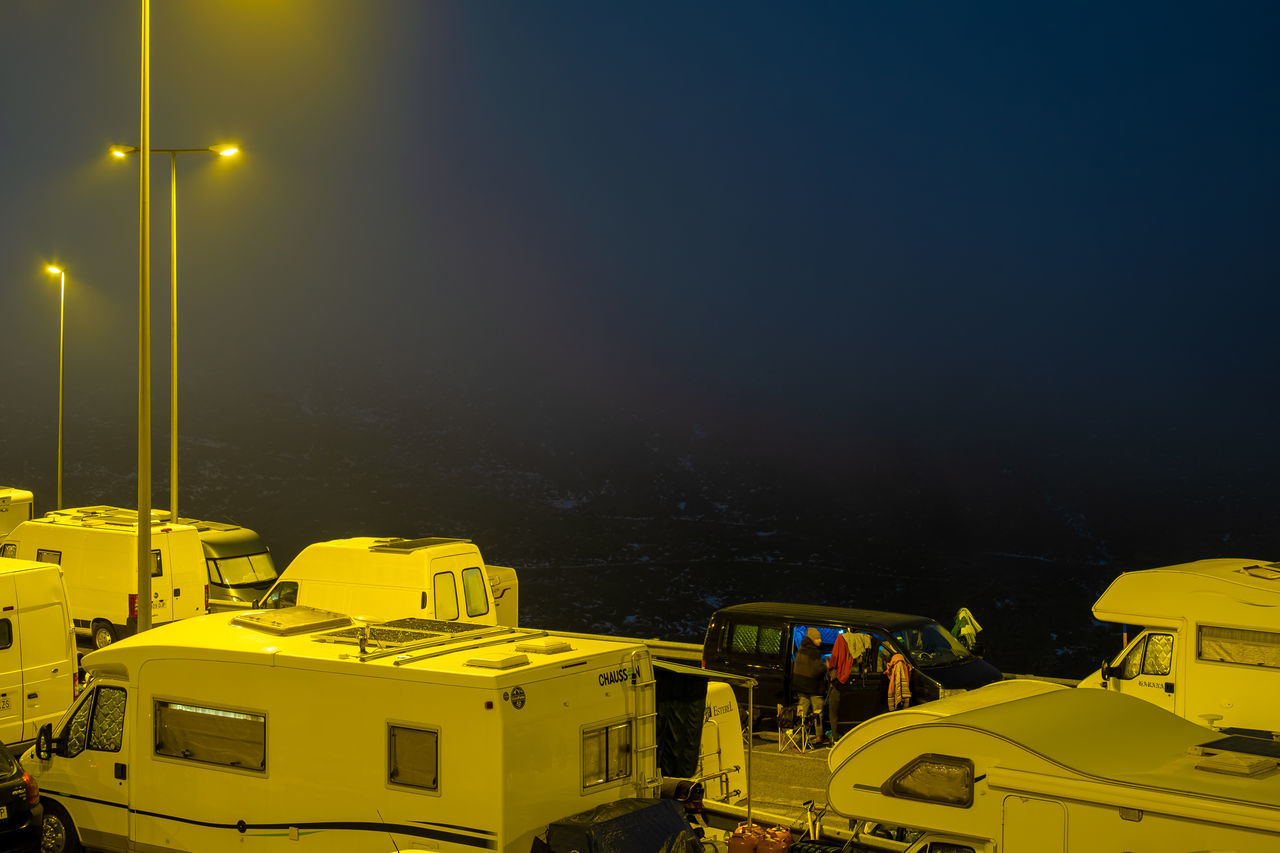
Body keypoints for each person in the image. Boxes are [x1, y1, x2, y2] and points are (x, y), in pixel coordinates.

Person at [792, 627, 827, 744]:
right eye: (818, 638)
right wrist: (826, 665)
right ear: (812, 639)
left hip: (801, 687)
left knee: (802, 713)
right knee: (817, 712)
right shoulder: (814, 652)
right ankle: (819, 736)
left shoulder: (801, 649)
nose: (820, 641)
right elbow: (817, 670)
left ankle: (800, 737)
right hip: (813, 688)